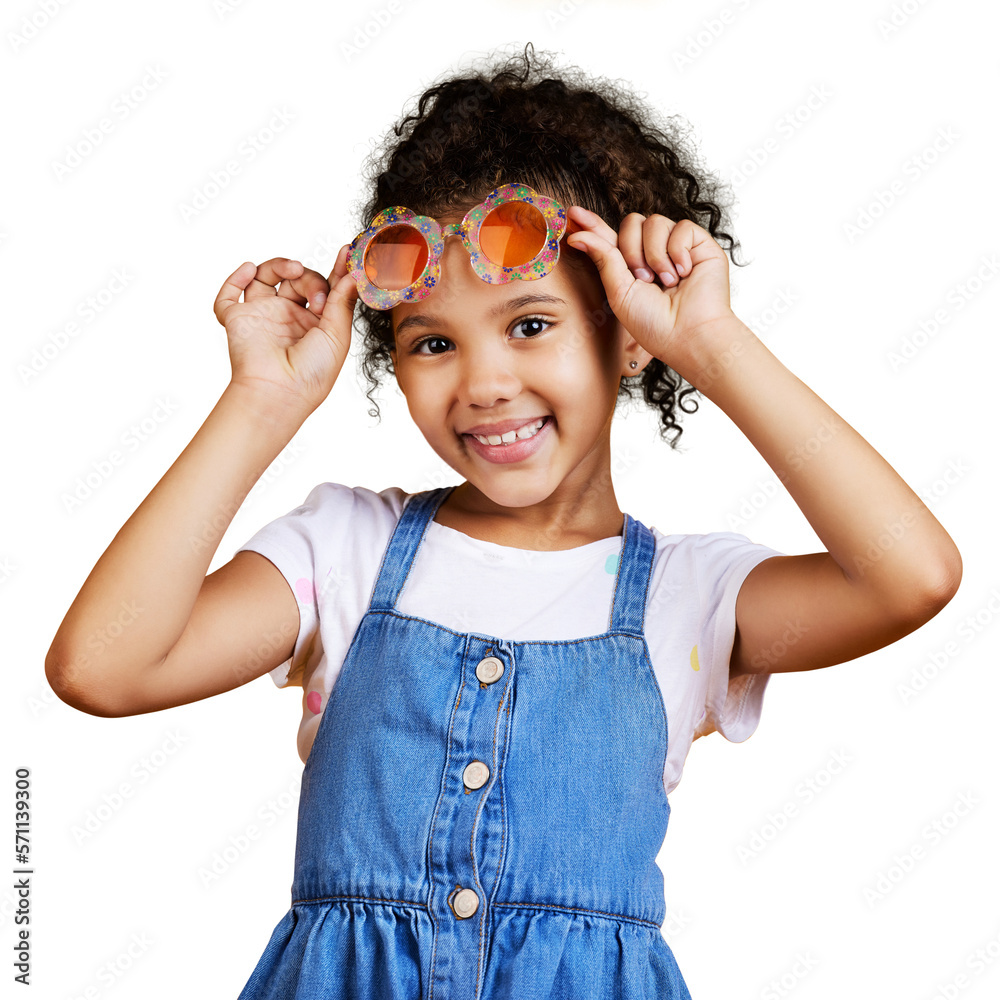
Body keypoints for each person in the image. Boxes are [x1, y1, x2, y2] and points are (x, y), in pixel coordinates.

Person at [45, 42, 962, 1000]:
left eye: (531, 324)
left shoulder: (694, 598)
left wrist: (712, 345)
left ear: (627, 333)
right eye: (433, 341)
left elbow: (911, 575)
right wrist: (262, 403)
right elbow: (101, 667)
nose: (484, 384)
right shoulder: (345, 552)